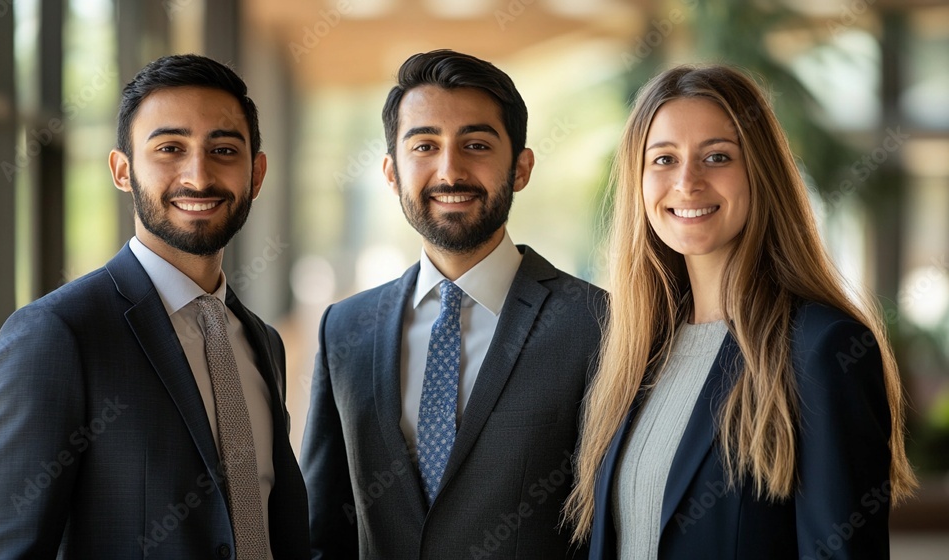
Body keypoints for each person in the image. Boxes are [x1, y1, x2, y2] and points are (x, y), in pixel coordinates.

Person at [563, 64, 918, 559]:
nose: (687, 182)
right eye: (664, 158)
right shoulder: (632, 352)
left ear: (760, 172)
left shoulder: (822, 347)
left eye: (716, 156)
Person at [0, 54, 310, 559]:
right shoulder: (55, 335)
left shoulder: (261, 340)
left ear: (256, 174)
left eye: (223, 149)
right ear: (122, 170)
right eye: (170, 148)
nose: (198, 176)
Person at [300, 49, 606, 559]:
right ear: (392, 172)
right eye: (424, 145)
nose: (450, 170)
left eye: (477, 144)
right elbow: (322, 529)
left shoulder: (597, 324)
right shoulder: (346, 329)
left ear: (521, 167)